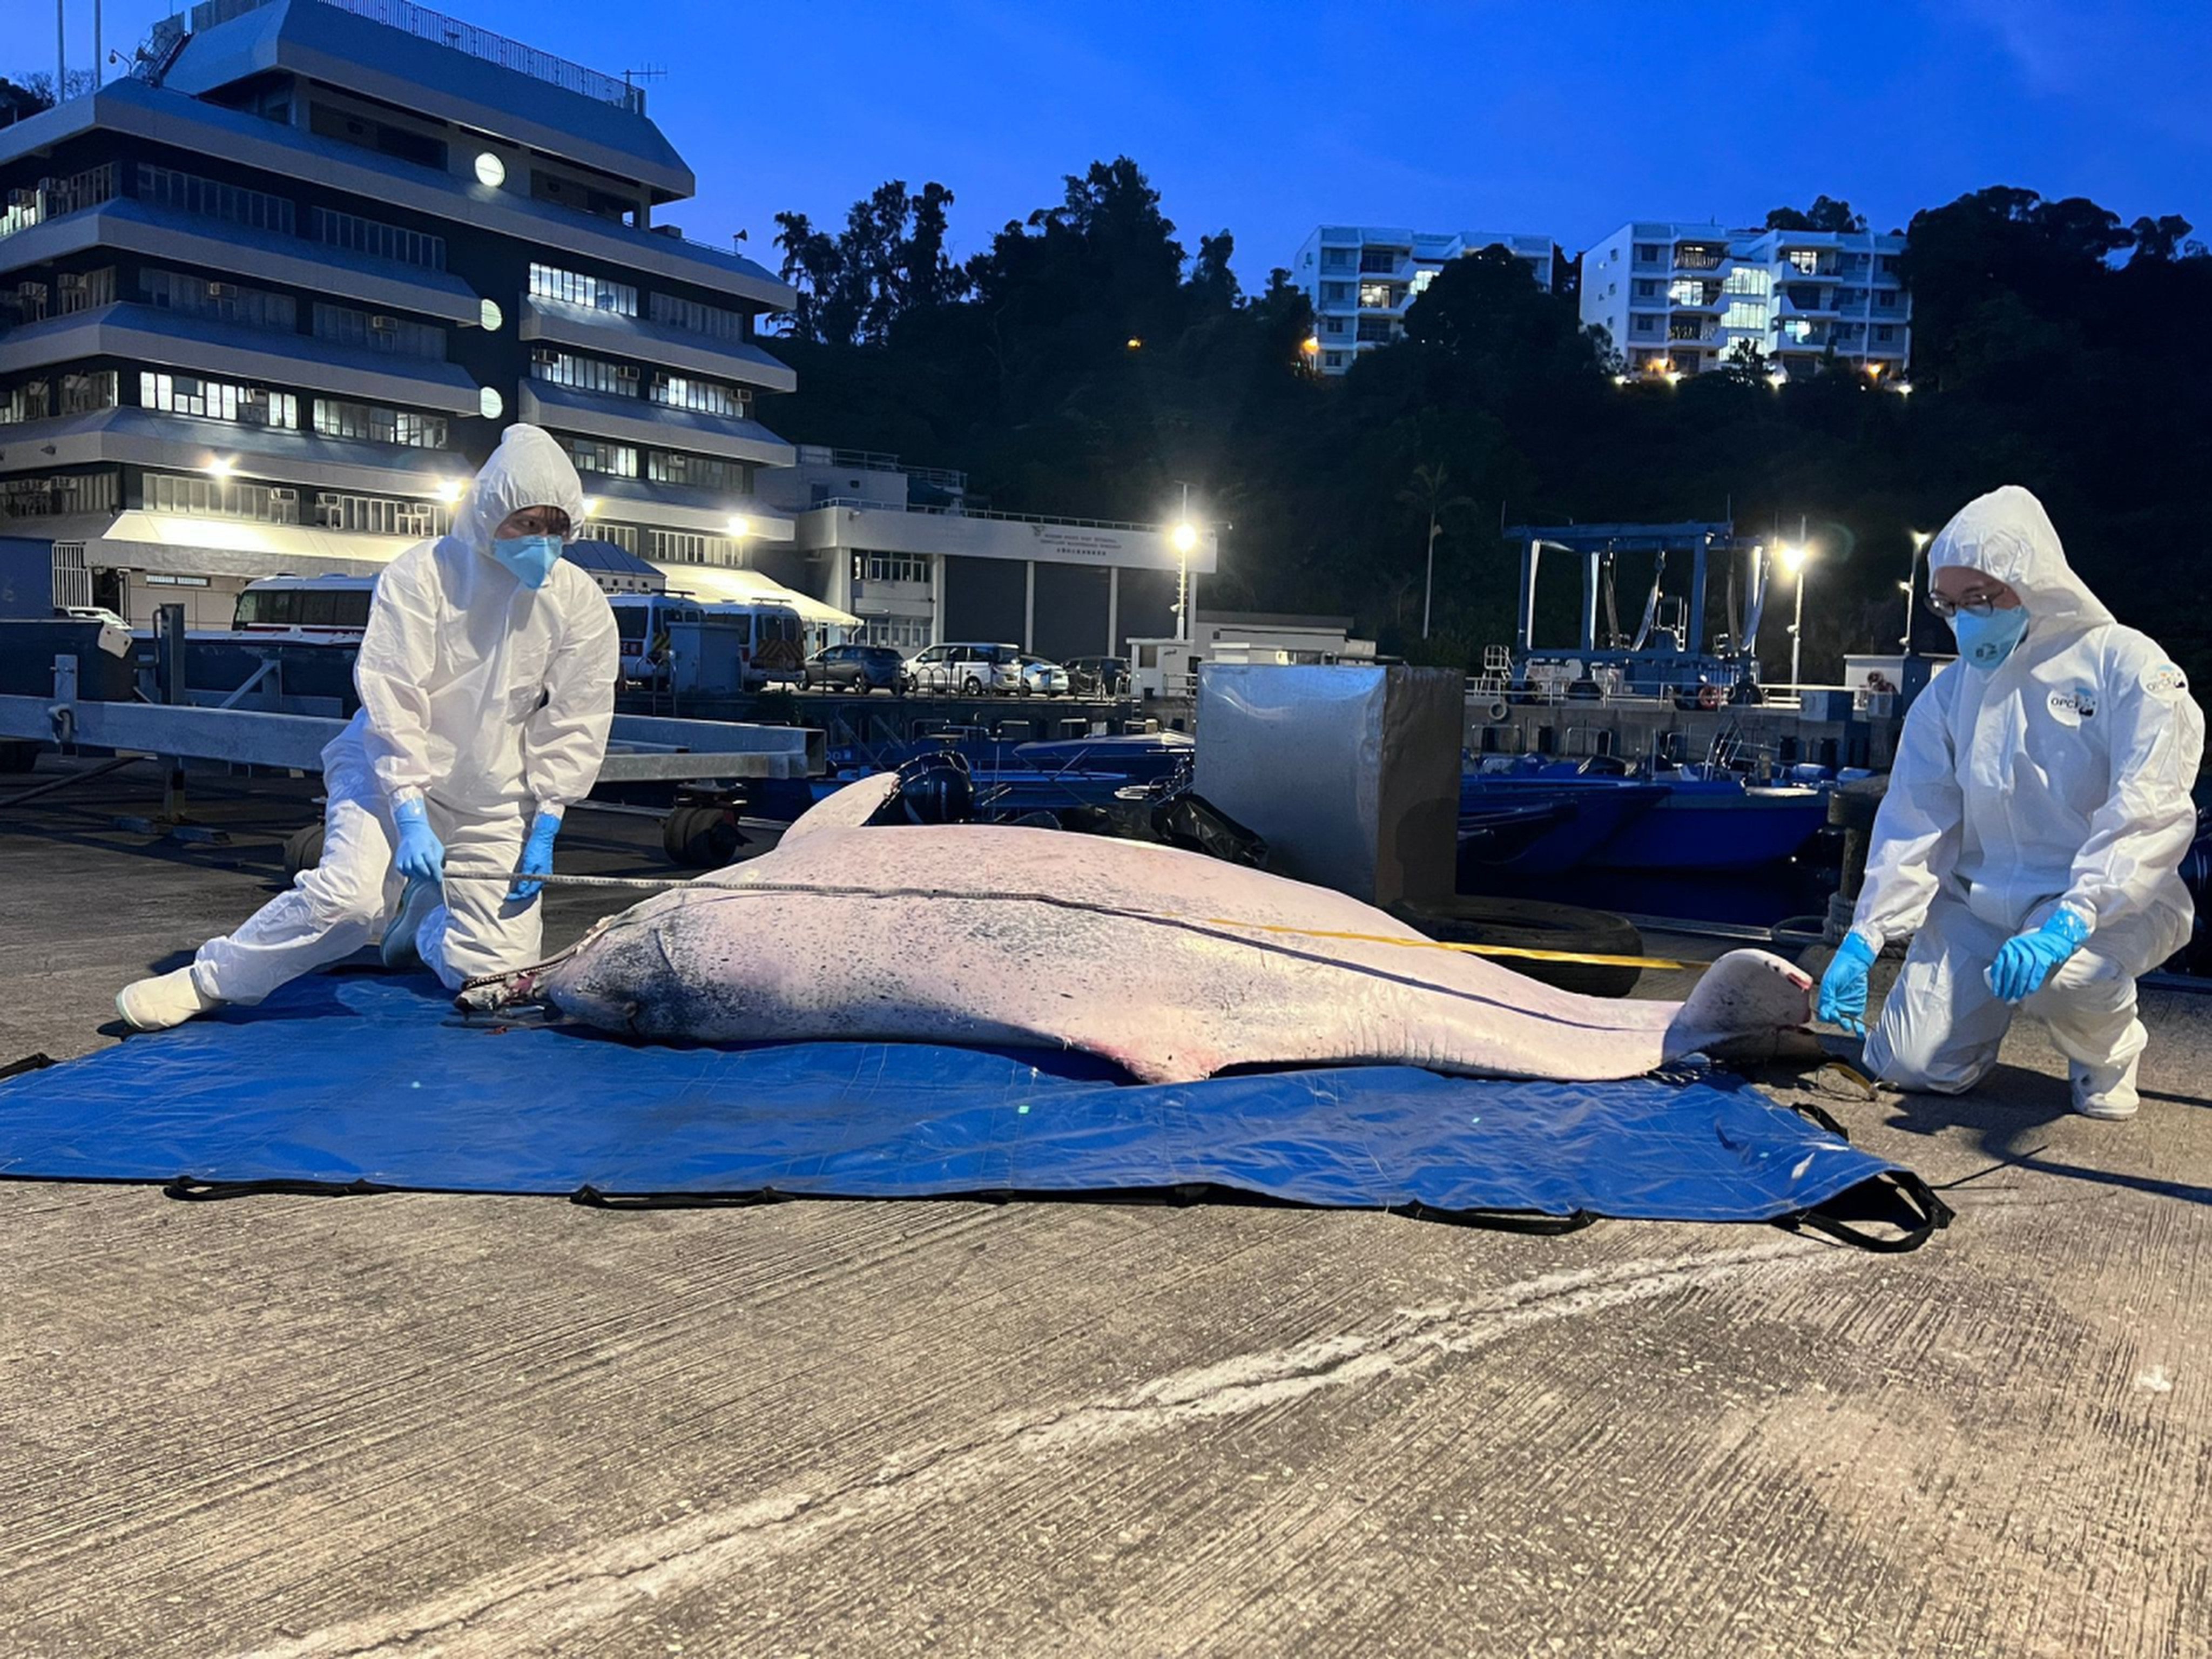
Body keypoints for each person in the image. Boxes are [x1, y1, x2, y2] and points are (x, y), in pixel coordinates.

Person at [116, 424, 619, 1030]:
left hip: (493, 792)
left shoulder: (579, 601)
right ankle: (210, 980)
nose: (542, 542)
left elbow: (577, 715)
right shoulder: (424, 575)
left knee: (495, 974)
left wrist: (549, 819)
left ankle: (427, 928)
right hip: (388, 769)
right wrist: (407, 811)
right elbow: (393, 695)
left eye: (555, 527)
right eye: (526, 523)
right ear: (489, 513)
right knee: (349, 903)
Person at [1818, 485, 2202, 1120]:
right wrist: (1866, 934)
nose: (1965, 618)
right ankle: (1970, 1030)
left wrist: (2072, 918)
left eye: (1979, 599)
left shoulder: (2124, 665)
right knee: (1907, 1066)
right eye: (1949, 604)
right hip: (1980, 901)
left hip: (2102, 902)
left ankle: (2108, 1053)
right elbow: (1916, 818)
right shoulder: (1949, 695)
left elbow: (2150, 805)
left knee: (2070, 978)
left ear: (2030, 578)